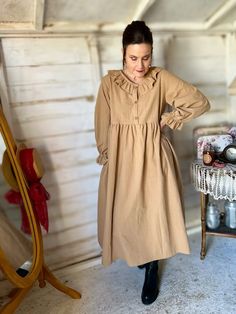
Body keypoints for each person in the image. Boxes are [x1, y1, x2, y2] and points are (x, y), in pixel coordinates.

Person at [94, 20, 210, 305]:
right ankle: (140, 256)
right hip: (123, 158)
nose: (140, 65)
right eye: (134, 58)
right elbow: (102, 122)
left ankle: (152, 267)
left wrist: (169, 119)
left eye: (146, 57)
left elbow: (199, 102)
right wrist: (107, 153)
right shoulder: (109, 83)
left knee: (154, 212)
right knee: (127, 212)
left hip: (154, 155)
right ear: (123, 53)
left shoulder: (161, 79)